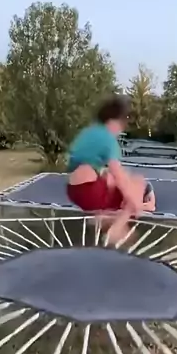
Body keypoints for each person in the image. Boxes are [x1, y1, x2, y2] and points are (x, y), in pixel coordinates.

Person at [66, 95, 156, 245]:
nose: (121, 130)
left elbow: (74, 162)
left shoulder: (88, 133)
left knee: (117, 186)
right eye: (122, 125)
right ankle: (116, 227)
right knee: (137, 183)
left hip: (73, 191)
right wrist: (134, 205)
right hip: (90, 191)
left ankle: (103, 220)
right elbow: (119, 176)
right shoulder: (108, 140)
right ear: (115, 121)